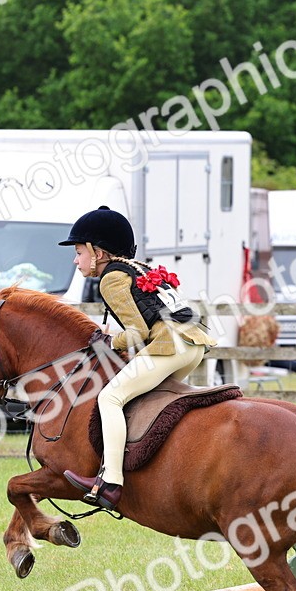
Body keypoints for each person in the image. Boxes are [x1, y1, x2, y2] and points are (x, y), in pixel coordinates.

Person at [58, 206, 216, 510]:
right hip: (193, 345)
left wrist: (106, 341)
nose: (75, 260)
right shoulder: (138, 267)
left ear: (98, 252)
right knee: (144, 401)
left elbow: (136, 332)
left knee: (110, 398)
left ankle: (110, 482)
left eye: (79, 251)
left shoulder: (111, 279)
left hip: (170, 346)